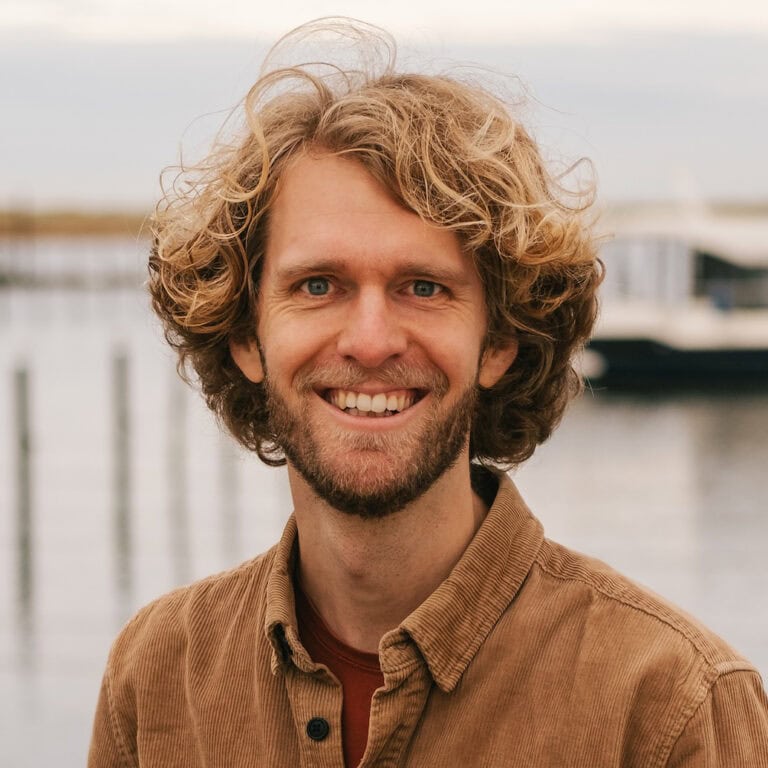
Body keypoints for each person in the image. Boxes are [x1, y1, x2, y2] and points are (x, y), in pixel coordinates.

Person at [88, 20, 768, 767]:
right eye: (317, 285)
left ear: (499, 341)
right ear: (247, 338)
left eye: (423, 287)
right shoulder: (157, 678)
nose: (370, 340)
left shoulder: (672, 706)